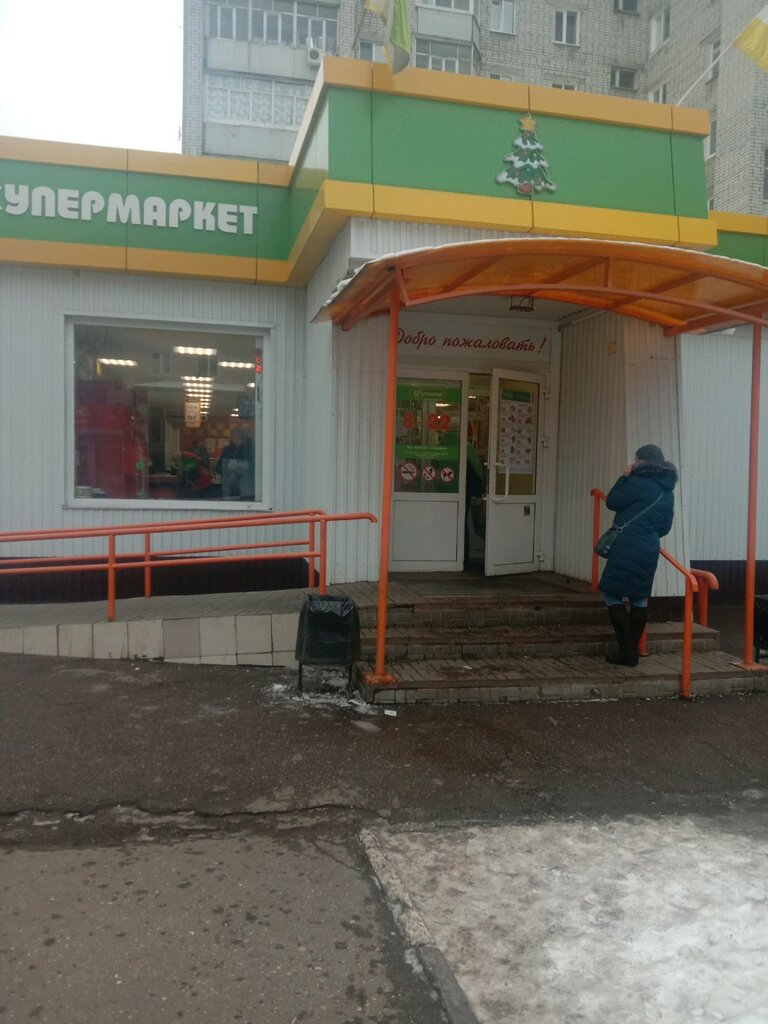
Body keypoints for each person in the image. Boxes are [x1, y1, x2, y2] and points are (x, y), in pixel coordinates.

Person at [599, 444, 678, 667]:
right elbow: (665, 527)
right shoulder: (667, 491)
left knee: (612, 593)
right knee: (639, 597)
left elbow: (612, 501)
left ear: (643, 461)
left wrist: (624, 477)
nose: (634, 463)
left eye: (636, 459)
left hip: (627, 545)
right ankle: (631, 651)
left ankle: (627, 651)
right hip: (649, 547)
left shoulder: (637, 481)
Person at [217, 424, 255, 499]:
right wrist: (228, 469)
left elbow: (254, 469)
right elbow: (218, 468)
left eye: (239, 438)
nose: (236, 441)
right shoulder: (227, 450)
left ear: (244, 439)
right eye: (234, 438)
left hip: (245, 488)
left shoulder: (249, 450)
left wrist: (242, 468)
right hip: (229, 488)